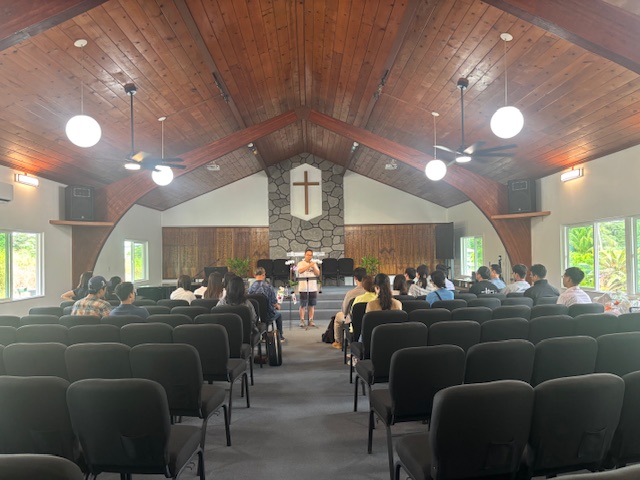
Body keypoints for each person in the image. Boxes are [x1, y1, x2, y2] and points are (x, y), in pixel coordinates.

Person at [331, 267, 367, 349]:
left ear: (355, 278)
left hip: (353, 319)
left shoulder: (351, 293)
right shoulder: (371, 291)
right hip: (368, 318)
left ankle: (338, 342)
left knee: (338, 317)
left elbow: (344, 310)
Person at [248, 266, 284, 341]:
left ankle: (264, 335)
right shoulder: (268, 287)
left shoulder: (250, 288)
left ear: (255, 275)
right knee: (278, 315)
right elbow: (273, 302)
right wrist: (277, 306)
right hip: (267, 315)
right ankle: (280, 336)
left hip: (255, 315)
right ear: (263, 275)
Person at [297, 248, 320, 328]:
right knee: (303, 304)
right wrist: (309, 265)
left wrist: (313, 267)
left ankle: (311, 320)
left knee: (311, 304)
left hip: (312, 287)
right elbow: (300, 271)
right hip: (303, 287)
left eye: (311, 255)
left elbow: (318, 273)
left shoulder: (314, 264)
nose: (309, 256)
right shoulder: (300, 263)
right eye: (308, 255)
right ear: (305, 255)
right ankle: (302, 320)